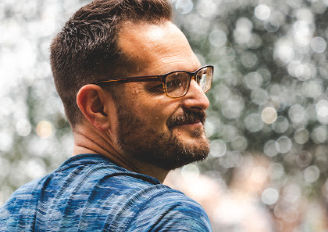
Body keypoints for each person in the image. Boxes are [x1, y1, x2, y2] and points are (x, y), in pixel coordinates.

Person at [0, 0, 214, 231]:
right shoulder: (166, 217)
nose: (202, 100)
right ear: (97, 106)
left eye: (198, 78)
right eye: (172, 82)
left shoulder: (14, 212)